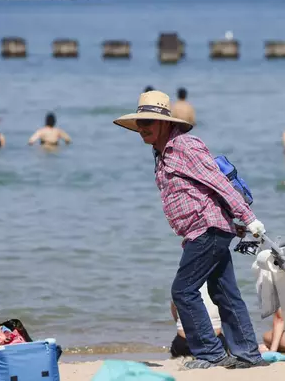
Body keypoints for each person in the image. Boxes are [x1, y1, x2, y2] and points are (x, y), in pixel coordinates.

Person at [113, 90, 267, 369]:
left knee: (183, 291)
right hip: (204, 230)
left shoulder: (185, 146)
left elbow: (217, 182)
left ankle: (211, 353)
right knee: (224, 293)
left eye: (148, 123)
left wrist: (248, 217)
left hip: (208, 228)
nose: (142, 129)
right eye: (139, 123)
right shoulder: (159, 153)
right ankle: (248, 355)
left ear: (165, 123)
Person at [170, 283, 227, 357]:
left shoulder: (181, 285)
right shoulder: (218, 286)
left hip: (185, 344)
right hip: (214, 342)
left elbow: (175, 315)